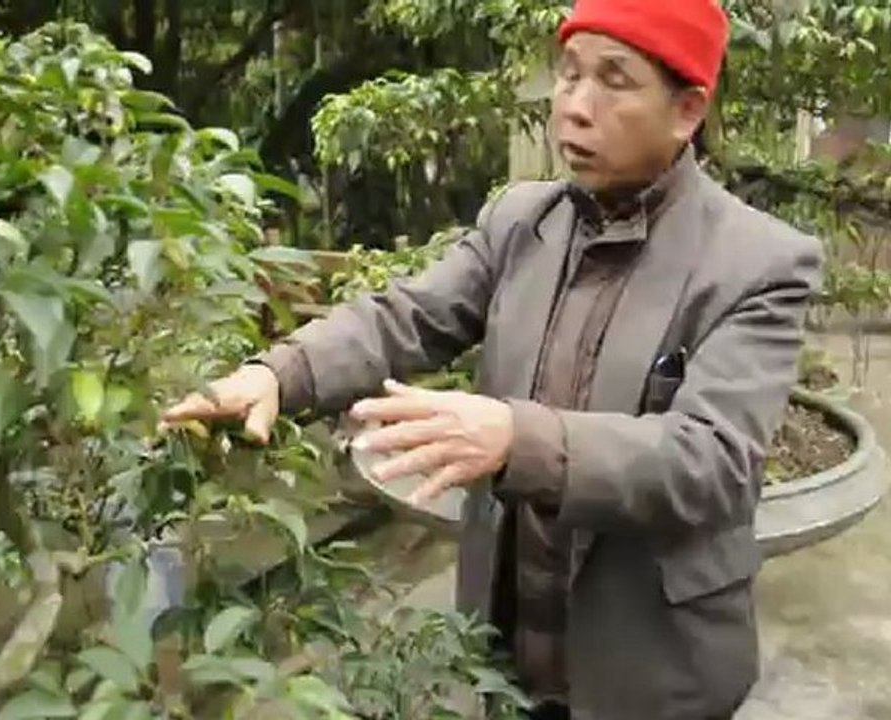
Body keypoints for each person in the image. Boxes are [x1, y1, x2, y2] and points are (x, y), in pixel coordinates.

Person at [163, 0, 823, 717]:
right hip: (506, 656)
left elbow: (713, 460)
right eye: (568, 74)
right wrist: (277, 374)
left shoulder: (757, 261)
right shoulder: (521, 222)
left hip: (655, 671)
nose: (574, 106)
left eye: (614, 79)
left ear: (687, 109)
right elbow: (405, 316)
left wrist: (516, 437)